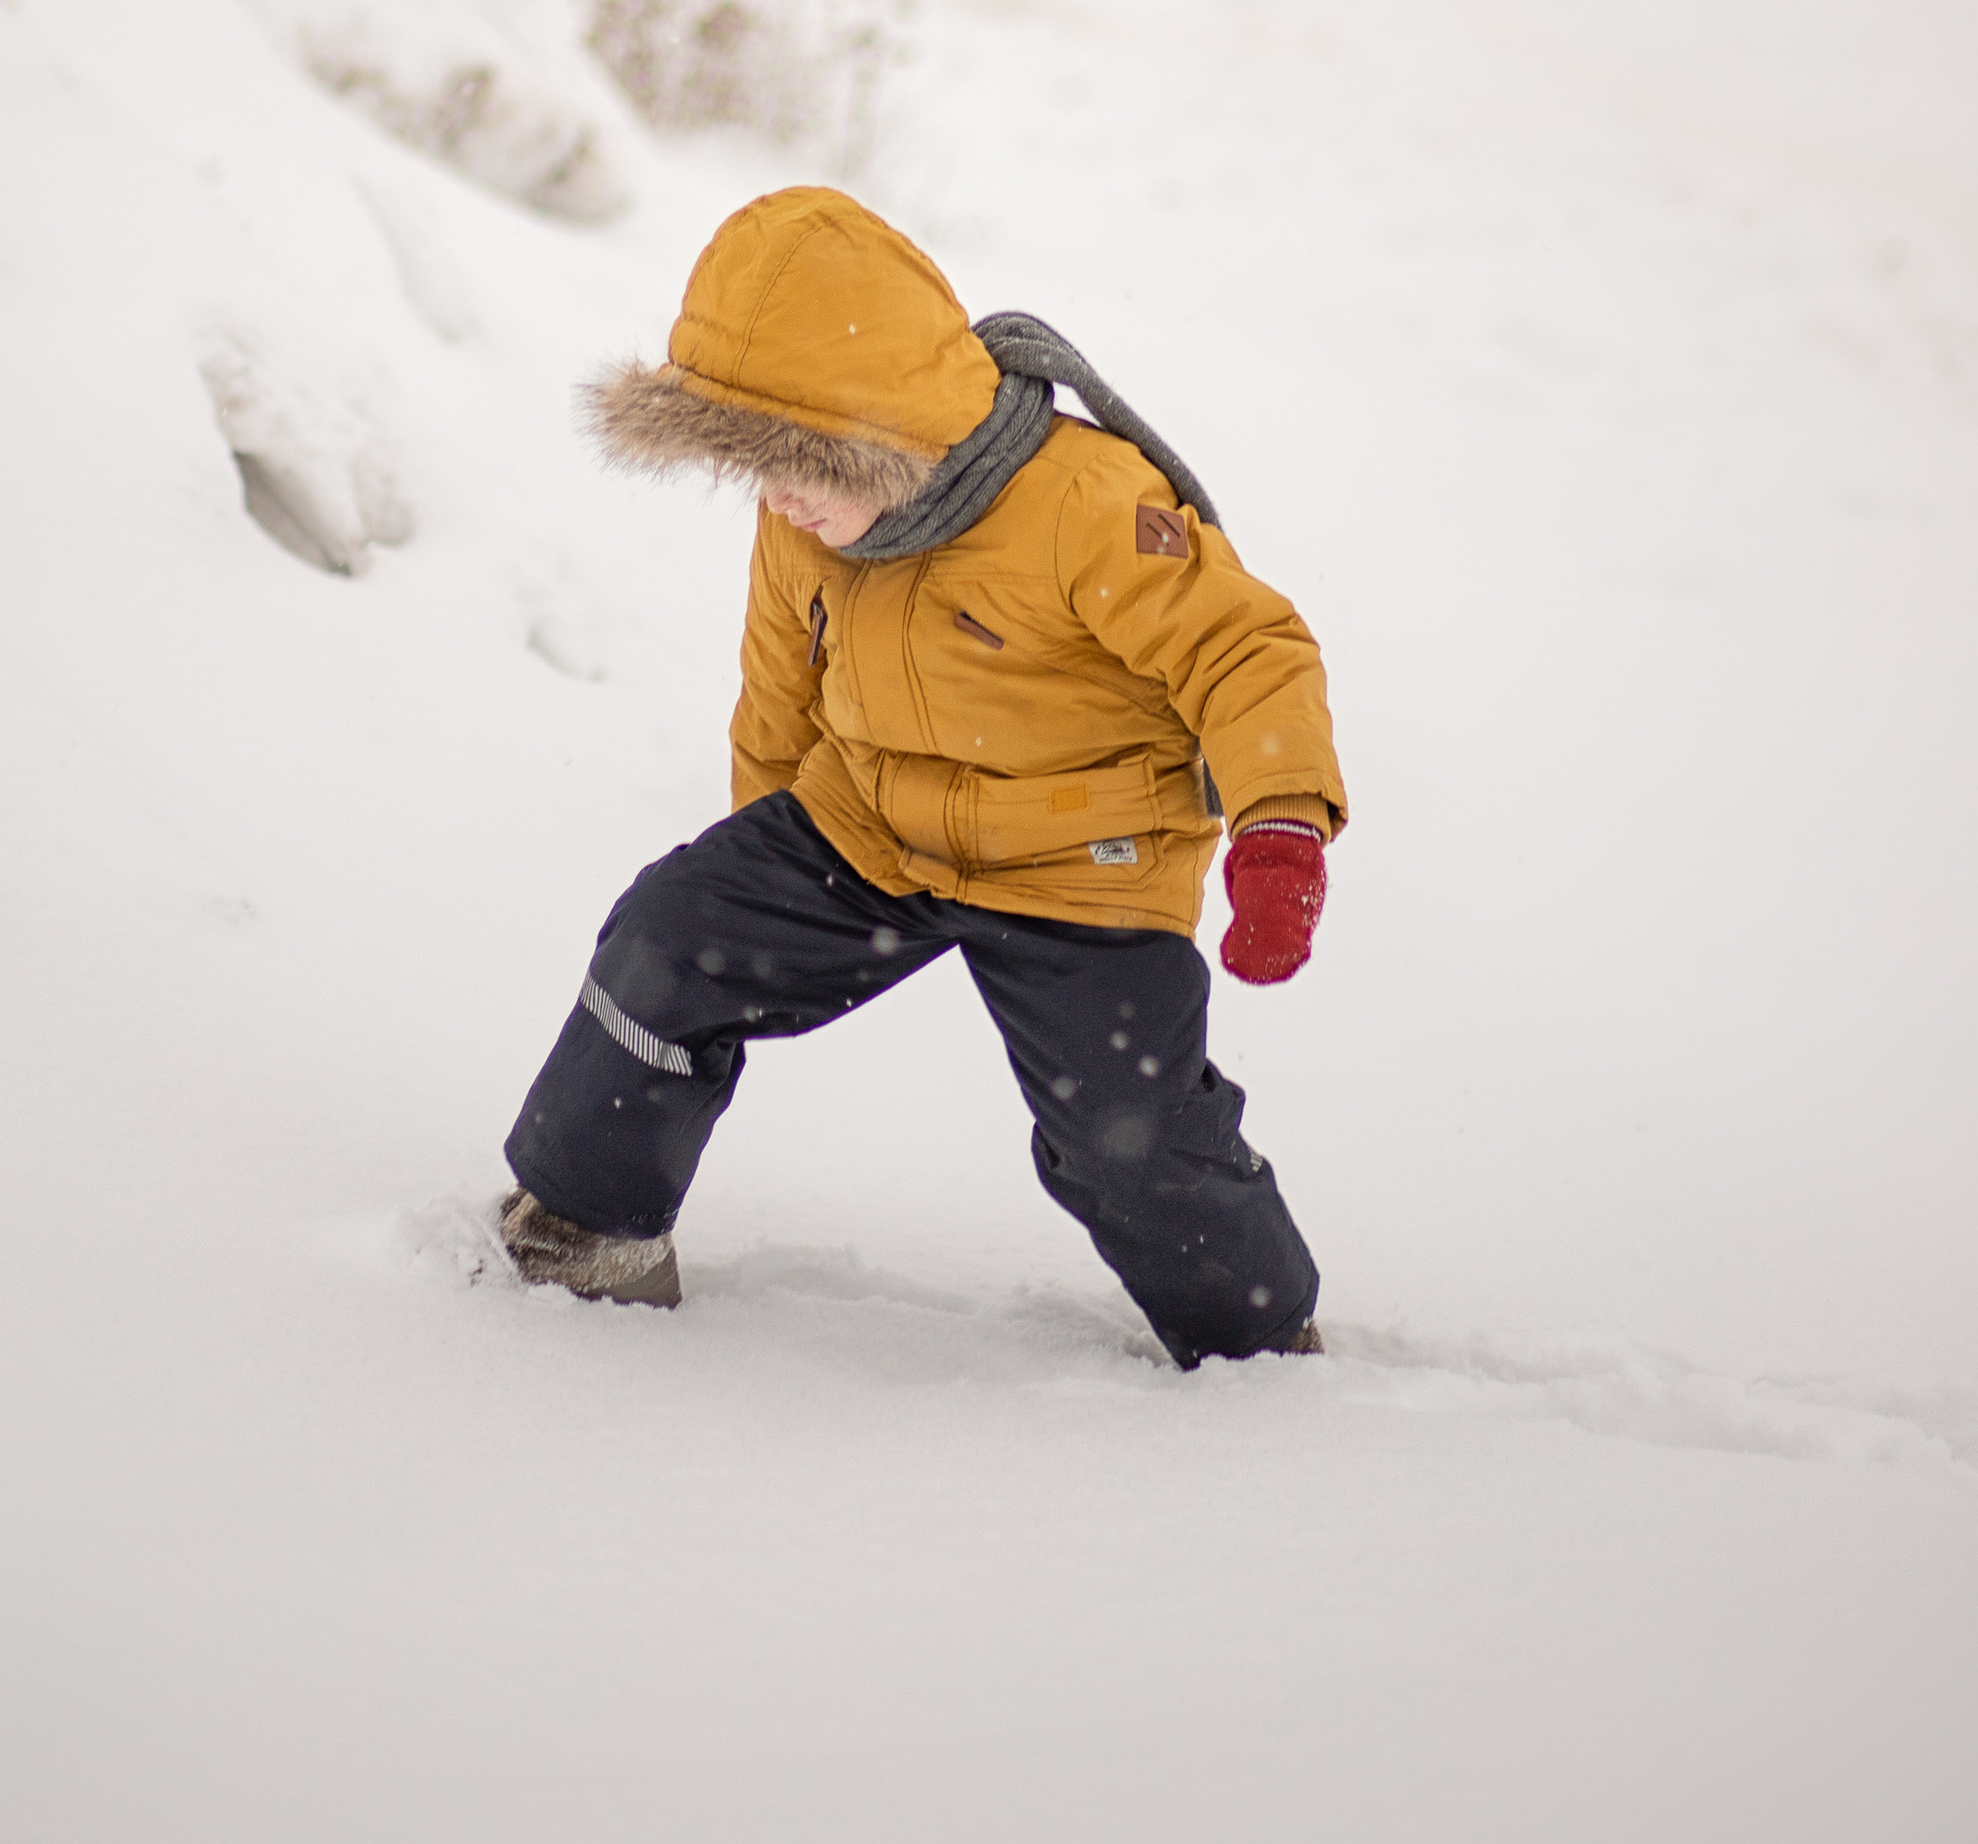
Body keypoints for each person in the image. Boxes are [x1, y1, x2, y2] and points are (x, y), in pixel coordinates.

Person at [500, 185, 1346, 1366]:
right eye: (752, 463)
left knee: (1126, 1135)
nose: (778, 496)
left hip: (1081, 861)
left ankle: (1256, 1343)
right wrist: (755, 866)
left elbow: (1242, 651)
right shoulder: (804, 521)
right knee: (663, 944)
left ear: (889, 430)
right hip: (869, 828)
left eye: (803, 462)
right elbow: (778, 688)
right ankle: (585, 1235)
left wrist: (1279, 824)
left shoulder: (1085, 503)